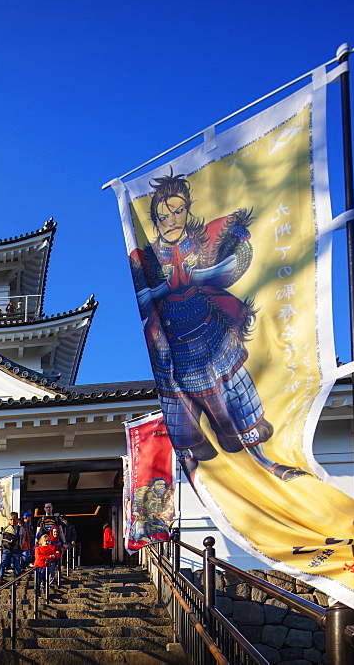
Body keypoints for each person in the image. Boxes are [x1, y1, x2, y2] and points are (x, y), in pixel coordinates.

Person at [129, 172, 308, 482]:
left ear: (186, 210)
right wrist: (161, 288)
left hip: (213, 336)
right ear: (154, 216)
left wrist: (213, 262)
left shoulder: (201, 245)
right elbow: (145, 301)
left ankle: (266, 465)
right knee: (180, 422)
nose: (171, 219)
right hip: (174, 350)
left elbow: (237, 260)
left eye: (178, 211)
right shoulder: (146, 261)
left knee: (239, 400)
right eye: (163, 214)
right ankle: (198, 482)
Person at [0, 512, 24, 580]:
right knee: (3, 563)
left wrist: (20, 546)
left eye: (14, 519)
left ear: (17, 519)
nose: (12, 521)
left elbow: (23, 538)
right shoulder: (6, 528)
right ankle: (0, 578)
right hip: (7, 548)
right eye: (10, 519)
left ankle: (17, 580)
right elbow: (2, 538)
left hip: (16, 548)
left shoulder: (20, 529)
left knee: (17, 565)